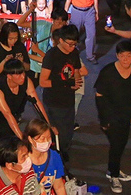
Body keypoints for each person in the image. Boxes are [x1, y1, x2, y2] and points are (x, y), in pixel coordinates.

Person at [94, 40, 131, 193]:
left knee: (121, 143)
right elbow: (99, 95)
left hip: (126, 114)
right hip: (110, 115)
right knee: (116, 144)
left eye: (129, 56)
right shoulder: (108, 72)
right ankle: (113, 175)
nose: (126, 59)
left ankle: (115, 169)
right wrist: (104, 119)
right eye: (122, 56)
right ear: (117, 56)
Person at [0, 58, 49, 175]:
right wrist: (22, 137)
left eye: (23, 73)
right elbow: (7, 114)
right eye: (18, 74)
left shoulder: (26, 81)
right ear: (9, 76)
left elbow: (37, 102)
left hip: (9, 119)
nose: (22, 77)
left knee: (10, 149)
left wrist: (48, 125)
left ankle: (8, 175)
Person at [39, 24, 87, 161]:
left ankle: (63, 152)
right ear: (60, 40)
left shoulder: (74, 53)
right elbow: (43, 81)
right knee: (56, 133)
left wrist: (76, 81)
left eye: (74, 44)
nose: (72, 47)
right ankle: (55, 157)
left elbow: (76, 71)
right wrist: (66, 83)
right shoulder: (51, 55)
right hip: (54, 101)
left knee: (68, 132)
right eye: (70, 44)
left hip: (69, 99)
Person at [64, 0, 100, 64]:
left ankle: (90, 55)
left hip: (89, 11)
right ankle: (71, 52)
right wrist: (65, 14)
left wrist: (96, 12)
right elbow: (68, 0)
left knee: (91, 34)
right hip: (76, 11)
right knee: (74, 34)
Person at [24, 119, 65, 195]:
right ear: (30, 139)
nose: (46, 141)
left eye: (49, 137)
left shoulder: (54, 157)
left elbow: (59, 187)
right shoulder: (22, 161)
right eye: (42, 138)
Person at [0, 22, 30, 89]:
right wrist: (5, 61)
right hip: (0, 85)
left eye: (16, 38)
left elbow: (27, 67)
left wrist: (21, 62)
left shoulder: (20, 46)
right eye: (10, 39)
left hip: (17, 85)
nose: (13, 41)